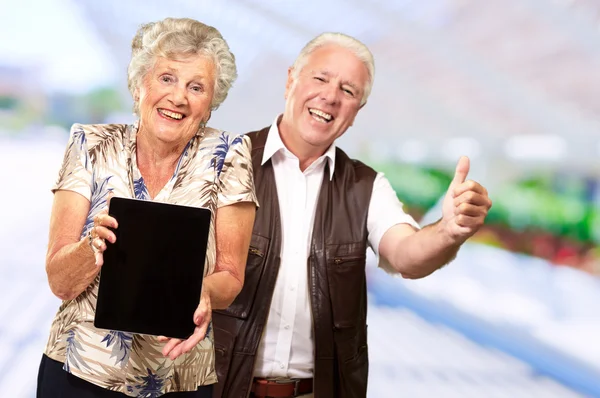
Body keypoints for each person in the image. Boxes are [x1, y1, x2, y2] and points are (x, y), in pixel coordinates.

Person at [212, 32, 492, 398]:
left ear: (357, 111)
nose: (330, 96)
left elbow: (405, 255)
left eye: (349, 90)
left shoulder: (365, 186)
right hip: (218, 388)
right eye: (321, 78)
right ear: (290, 80)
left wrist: (450, 230)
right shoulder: (222, 162)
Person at [37, 18, 257, 398]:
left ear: (210, 103)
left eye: (196, 87)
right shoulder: (90, 144)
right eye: (167, 78)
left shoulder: (228, 154)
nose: (179, 98)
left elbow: (231, 276)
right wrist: (92, 247)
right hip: (78, 370)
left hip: (178, 375)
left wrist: (204, 293)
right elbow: (59, 281)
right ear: (140, 85)